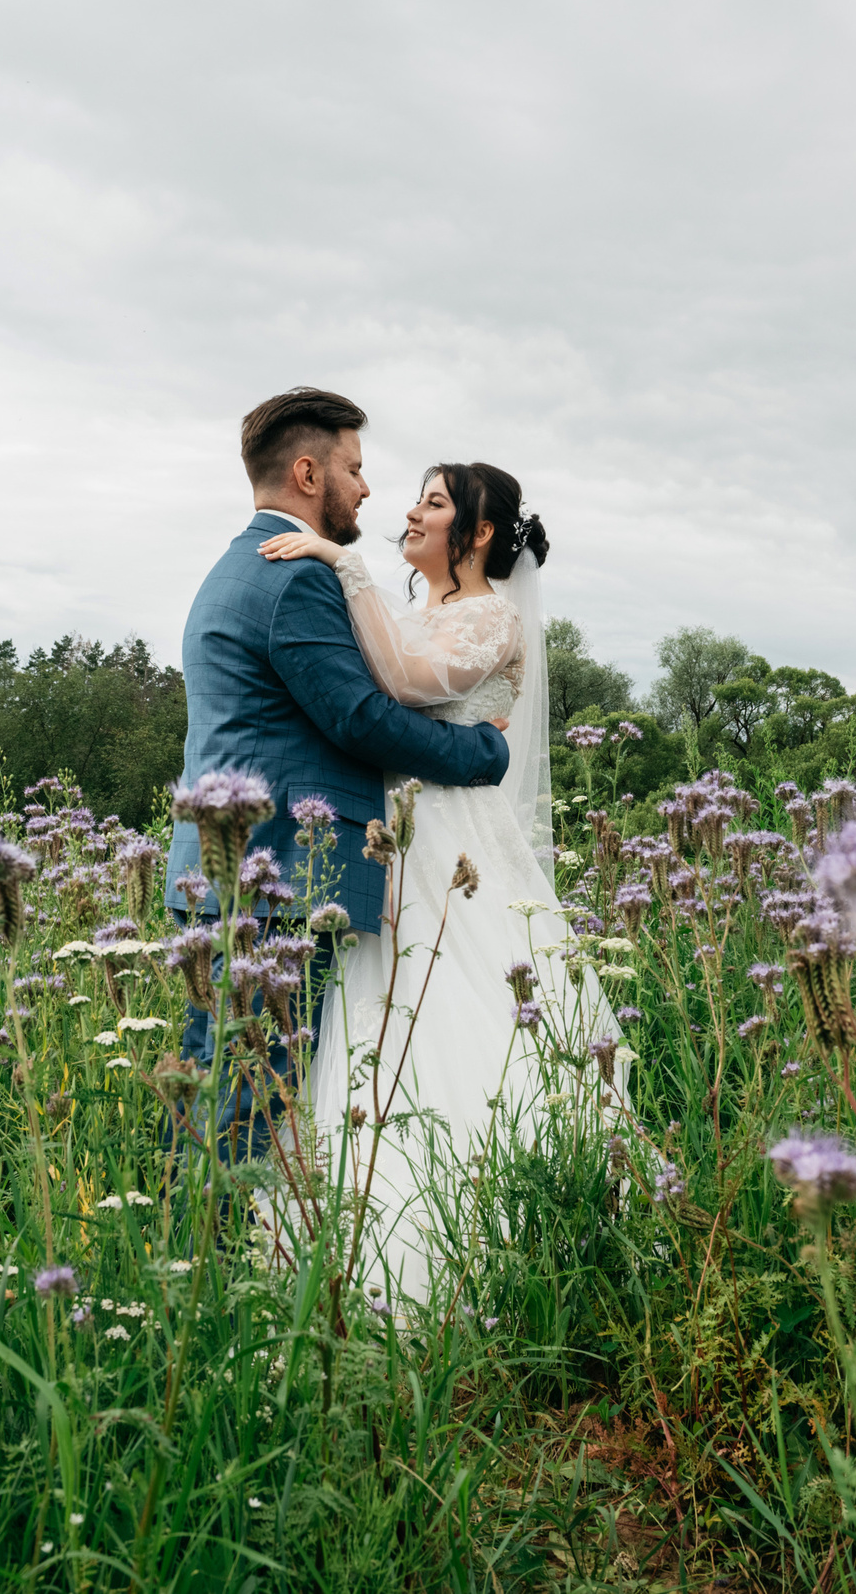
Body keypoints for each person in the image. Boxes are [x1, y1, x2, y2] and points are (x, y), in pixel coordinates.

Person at [259, 462, 614, 1304]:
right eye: (418, 497)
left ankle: (479, 1251)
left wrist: (341, 566)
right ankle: (341, 1252)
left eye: (435, 500)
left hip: (451, 844)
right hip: (388, 835)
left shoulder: (490, 617)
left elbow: (408, 685)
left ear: (480, 533)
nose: (412, 511)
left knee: (456, 1008)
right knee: (371, 1018)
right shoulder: (417, 610)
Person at [166, 389, 510, 1160]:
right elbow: (357, 717)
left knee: (220, 1084)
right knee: (246, 1103)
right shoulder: (295, 577)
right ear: (308, 472)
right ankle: (210, 1270)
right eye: (354, 469)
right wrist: (484, 753)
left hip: (231, 873)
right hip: (277, 875)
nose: (366, 489)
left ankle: (197, 1260)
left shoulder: (238, 566)